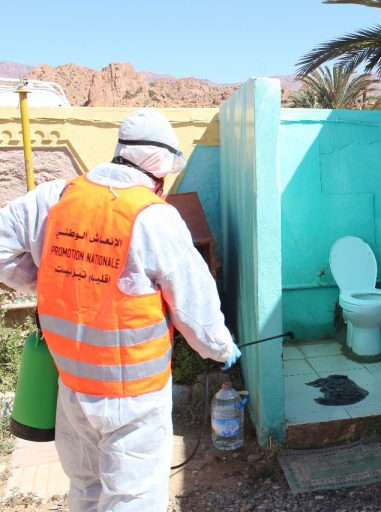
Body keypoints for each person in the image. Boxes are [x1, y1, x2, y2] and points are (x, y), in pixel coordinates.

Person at [0, 108, 240, 511]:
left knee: (86, 488)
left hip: (73, 385)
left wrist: (42, 281)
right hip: (134, 398)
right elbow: (195, 307)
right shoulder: (154, 217)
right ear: (160, 170)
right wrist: (219, 348)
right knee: (133, 498)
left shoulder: (56, 196)